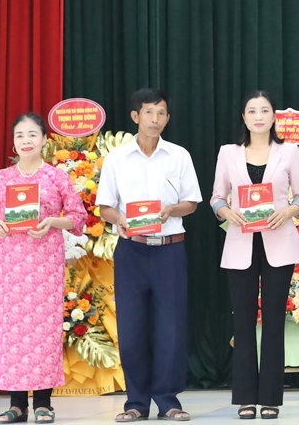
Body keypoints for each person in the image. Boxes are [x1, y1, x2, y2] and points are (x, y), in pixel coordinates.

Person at [97, 89, 202, 422]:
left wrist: (172, 208)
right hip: (132, 251)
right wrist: (121, 220)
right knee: (132, 328)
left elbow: (193, 202)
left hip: (169, 249)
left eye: (161, 113)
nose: (155, 119)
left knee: (170, 328)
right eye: (148, 112)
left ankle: (168, 400)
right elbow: (105, 207)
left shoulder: (179, 156)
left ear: (167, 118)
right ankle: (135, 403)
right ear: (135, 116)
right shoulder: (117, 159)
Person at [0, 113, 87, 424]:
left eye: (32, 135)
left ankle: (43, 403)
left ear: (44, 140)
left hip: (43, 265)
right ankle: (16, 405)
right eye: (20, 135)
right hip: (9, 266)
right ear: (13, 141)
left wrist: (53, 221)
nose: (26, 141)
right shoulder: (1, 178)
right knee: (12, 332)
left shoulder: (56, 177)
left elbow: (77, 217)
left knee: (41, 331)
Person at [209, 91, 299, 420]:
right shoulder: (228, 153)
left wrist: (290, 211)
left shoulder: (289, 151)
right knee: (243, 321)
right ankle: (244, 398)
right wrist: (226, 212)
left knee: (273, 323)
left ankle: (270, 398)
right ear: (243, 116)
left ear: (273, 117)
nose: (258, 116)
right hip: (241, 244)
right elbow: (216, 197)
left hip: (278, 243)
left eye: (264, 110)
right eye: (252, 110)